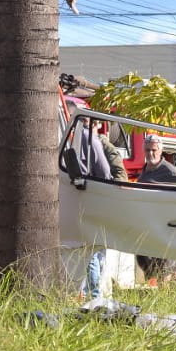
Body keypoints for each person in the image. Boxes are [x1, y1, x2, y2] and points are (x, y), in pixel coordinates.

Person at [73, 124, 129, 299]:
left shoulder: (90, 139)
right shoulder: (96, 141)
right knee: (98, 254)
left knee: (91, 254)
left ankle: (94, 295)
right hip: (104, 204)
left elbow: (105, 171)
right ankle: (96, 294)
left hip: (95, 202)